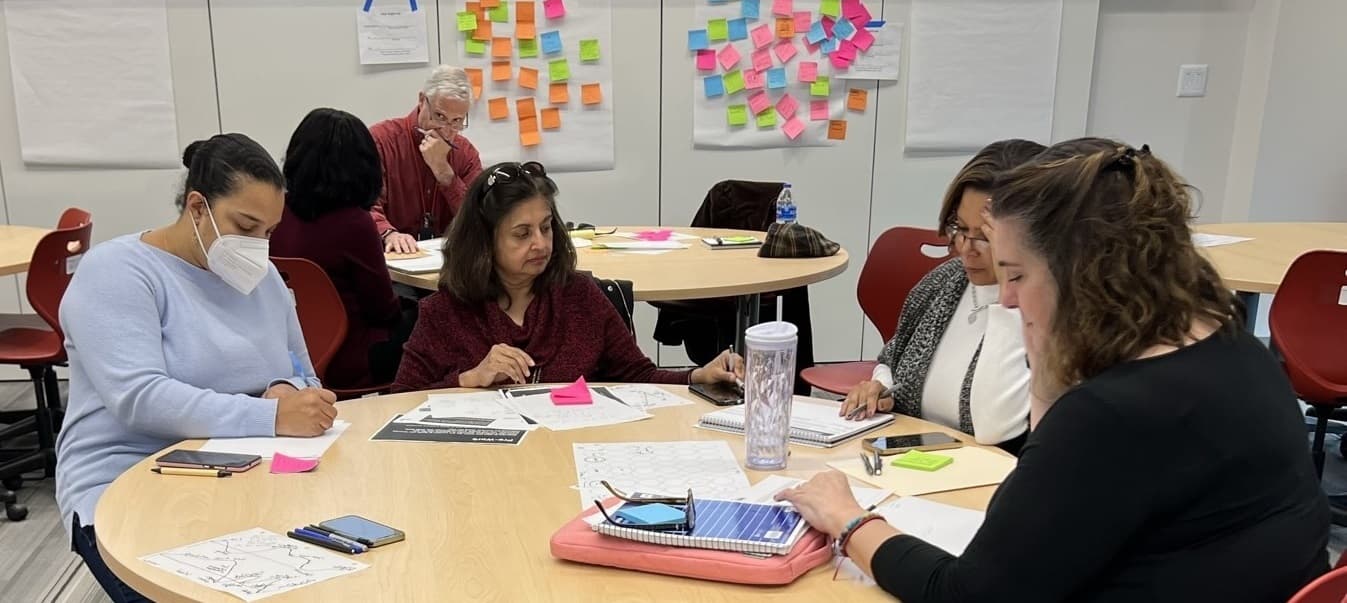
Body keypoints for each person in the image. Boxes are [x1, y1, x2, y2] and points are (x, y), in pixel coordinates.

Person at [778, 138, 1330, 602]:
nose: (1010, 301)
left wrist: (849, 520)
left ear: (1081, 276)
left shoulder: (1111, 415)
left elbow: (968, 595)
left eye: (1016, 275)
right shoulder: (1235, 348)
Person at [56, 134, 340, 603]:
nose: (257, 246)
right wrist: (270, 416)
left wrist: (287, 388)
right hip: (131, 478)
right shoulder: (119, 272)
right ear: (196, 206)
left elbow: (303, 373)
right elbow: (140, 399)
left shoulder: (262, 278)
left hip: (252, 474)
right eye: (245, 226)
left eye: (268, 232)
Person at [393, 161, 742, 392]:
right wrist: (468, 379)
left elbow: (638, 376)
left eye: (546, 228)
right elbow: (399, 399)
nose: (540, 244)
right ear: (485, 241)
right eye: (521, 233)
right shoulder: (446, 312)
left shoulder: (579, 296)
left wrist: (698, 375)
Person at [843, 139, 1045, 455]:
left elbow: (997, 429)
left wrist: (1009, 288)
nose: (966, 247)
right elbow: (892, 357)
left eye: (986, 237)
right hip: (919, 462)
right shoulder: (945, 282)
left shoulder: (1050, 311)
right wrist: (880, 384)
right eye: (960, 228)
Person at [271, 108, 409, 388]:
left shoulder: (276, 212)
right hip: (351, 359)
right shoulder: (355, 224)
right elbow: (384, 310)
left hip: (290, 353)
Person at [371, 65, 484, 254]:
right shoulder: (381, 141)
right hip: (391, 263)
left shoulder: (465, 152)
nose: (446, 130)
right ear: (422, 100)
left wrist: (444, 172)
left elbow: (480, 219)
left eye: (457, 121)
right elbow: (361, 208)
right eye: (439, 116)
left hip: (449, 266)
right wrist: (388, 233)